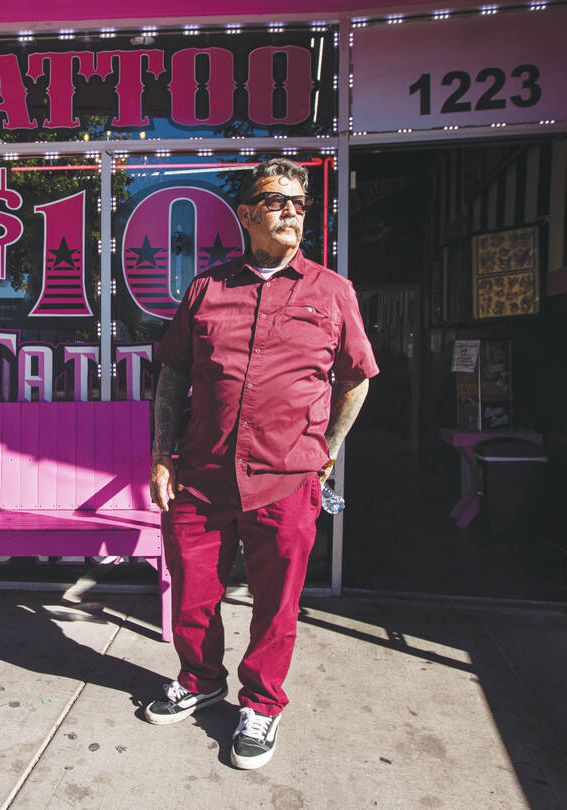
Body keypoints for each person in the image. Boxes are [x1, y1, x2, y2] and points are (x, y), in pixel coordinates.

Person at [145, 158, 378, 770]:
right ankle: (200, 681)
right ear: (247, 213)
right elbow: (172, 373)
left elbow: (356, 380)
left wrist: (326, 448)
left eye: (300, 203)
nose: (292, 211)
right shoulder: (207, 288)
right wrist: (161, 456)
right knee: (194, 595)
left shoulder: (333, 292)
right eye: (278, 201)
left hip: (288, 476)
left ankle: (263, 705)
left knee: (277, 604)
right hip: (200, 474)